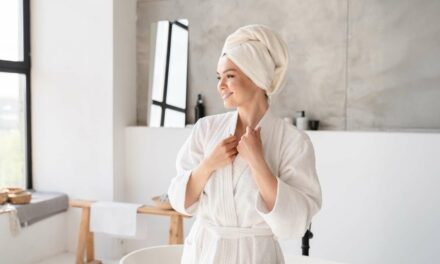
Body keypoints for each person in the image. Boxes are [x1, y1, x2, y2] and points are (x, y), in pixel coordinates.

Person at [168, 24, 322, 264]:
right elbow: (179, 200)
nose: (220, 86)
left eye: (230, 76)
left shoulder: (293, 142)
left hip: (256, 257)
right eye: (219, 77)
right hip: (204, 253)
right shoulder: (206, 129)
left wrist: (257, 162)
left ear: (258, 78)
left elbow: (294, 223)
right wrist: (208, 165)